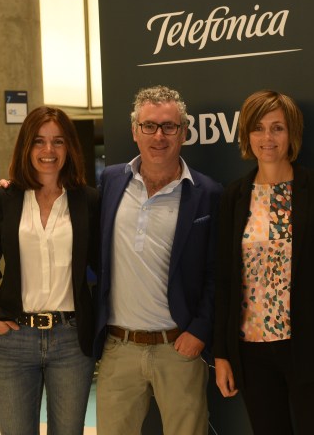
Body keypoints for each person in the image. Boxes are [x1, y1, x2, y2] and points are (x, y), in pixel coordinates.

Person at [213, 89, 314, 435]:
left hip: (310, 347)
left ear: (292, 134)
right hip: (252, 351)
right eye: (258, 128)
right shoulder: (234, 195)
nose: (267, 138)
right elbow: (224, 281)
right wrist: (222, 354)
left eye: (277, 128)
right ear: (246, 135)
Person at [93, 85, 223, 434]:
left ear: (184, 132)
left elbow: (218, 273)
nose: (159, 136)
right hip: (118, 347)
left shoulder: (207, 193)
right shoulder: (110, 181)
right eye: (149, 126)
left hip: (178, 348)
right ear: (135, 131)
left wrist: (199, 330)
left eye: (169, 126)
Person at [0, 106, 100, 435]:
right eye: (39, 142)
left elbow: (104, 268)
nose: (48, 151)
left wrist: (95, 319)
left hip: (70, 341)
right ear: (25, 147)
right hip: (14, 340)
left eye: (58, 142)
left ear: (70, 146)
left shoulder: (88, 201)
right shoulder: (3, 199)